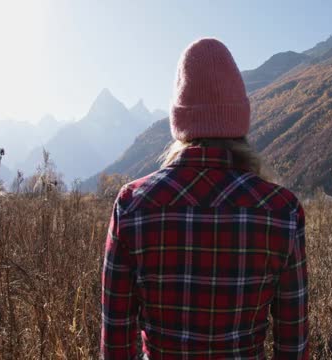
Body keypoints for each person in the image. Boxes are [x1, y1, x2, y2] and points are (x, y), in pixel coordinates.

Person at [101, 38, 308, 359]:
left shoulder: (132, 205)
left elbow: (115, 342)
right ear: (240, 120)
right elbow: (292, 344)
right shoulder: (281, 211)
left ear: (179, 121)